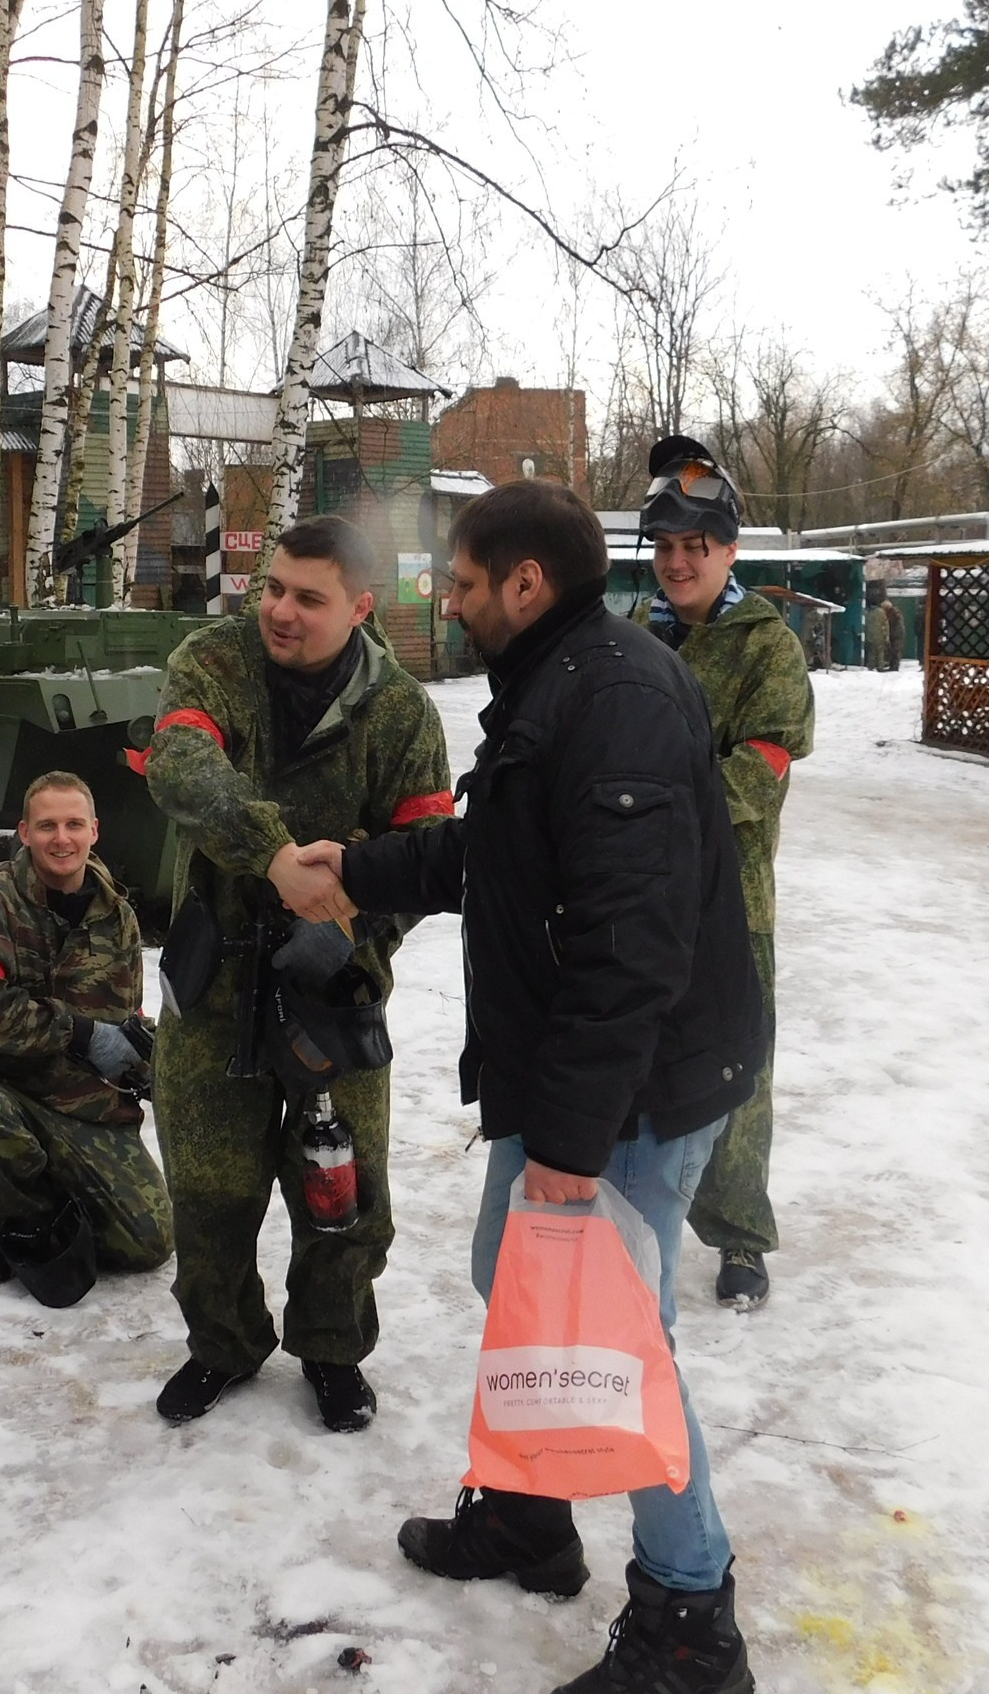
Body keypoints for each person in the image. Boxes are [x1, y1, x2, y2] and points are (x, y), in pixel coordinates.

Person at [317, 478, 766, 1694]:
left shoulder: (609, 694)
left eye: (462, 583)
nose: (448, 601)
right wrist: (359, 869)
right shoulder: (560, 680)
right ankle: (526, 1513)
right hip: (583, 1081)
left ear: (525, 585)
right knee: (509, 1278)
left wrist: (569, 1141)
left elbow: (631, 942)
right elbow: (503, 846)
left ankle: (689, 1619)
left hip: (630, 1091)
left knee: (614, 1339)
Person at [140, 513, 454, 1433]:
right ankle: (224, 1344)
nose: (279, 610)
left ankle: (332, 1349)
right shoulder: (214, 659)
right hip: (215, 986)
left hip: (335, 990)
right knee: (207, 1187)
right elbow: (181, 764)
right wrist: (273, 854)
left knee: (343, 1193)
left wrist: (355, 918)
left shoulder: (399, 713)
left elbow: (427, 852)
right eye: (272, 587)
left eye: (307, 599)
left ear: (360, 608)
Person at [632, 437, 813, 1310]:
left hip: (731, 902)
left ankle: (740, 1237)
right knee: (636, 1056)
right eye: (664, 549)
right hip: (634, 895)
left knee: (737, 1074)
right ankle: (629, 1212)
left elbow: (763, 761)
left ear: (730, 550)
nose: (676, 563)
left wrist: (662, 809)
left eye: (694, 548)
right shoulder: (635, 634)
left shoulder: (765, 646)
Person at [0, 770, 172, 1307]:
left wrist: (152, 1061)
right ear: (24, 832)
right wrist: (81, 1033)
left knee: (148, 1244)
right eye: (46, 826)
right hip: (8, 1090)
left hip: (88, 1105)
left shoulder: (119, 916)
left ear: (94, 831)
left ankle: (65, 1205)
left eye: (72, 825)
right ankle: (22, 1226)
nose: (60, 838)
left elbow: (127, 1015)